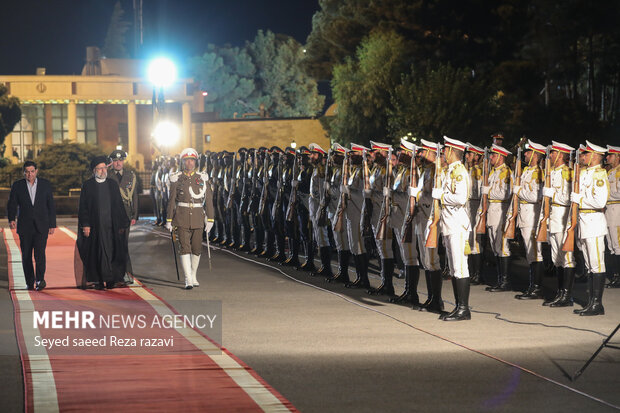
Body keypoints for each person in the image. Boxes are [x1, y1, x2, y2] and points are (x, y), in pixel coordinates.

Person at [76, 156, 130, 290]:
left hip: (111, 226)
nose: (103, 171)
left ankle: (111, 279)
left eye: (104, 168)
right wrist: (86, 224)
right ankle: (99, 280)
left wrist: (122, 223)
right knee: (97, 252)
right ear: (94, 170)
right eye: (100, 168)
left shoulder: (112, 184)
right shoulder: (88, 185)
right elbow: (83, 207)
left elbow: (118, 204)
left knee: (112, 251)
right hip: (95, 226)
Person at [433, 136, 471, 321]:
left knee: (460, 268)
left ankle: (464, 309)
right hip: (449, 223)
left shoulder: (460, 172)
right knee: (455, 268)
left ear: (451, 151)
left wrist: (441, 196)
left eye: (445, 150)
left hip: (457, 223)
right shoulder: (449, 171)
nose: (443, 154)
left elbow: (460, 198)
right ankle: (458, 306)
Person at [166, 148, 215, 289]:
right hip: (181, 216)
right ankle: (188, 278)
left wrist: (210, 219)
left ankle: (194, 275)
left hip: (199, 217)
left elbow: (209, 200)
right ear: (183, 162)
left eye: (192, 160)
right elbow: (171, 201)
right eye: (187, 160)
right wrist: (169, 220)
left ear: (196, 162)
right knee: (184, 248)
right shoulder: (177, 178)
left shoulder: (202, 178)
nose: (190, 163)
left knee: (197, 248)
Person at [572, 141, 609, 316]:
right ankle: (591, 302)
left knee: (596, 264)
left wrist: (579, 199)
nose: (583, 156)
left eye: (586, 154)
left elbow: (599, 202)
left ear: (594, 156)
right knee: (589, 264)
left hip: (594, 221)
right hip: (584, 221)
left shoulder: (599, 175)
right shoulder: (585, 173)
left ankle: (597, 304)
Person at [7, 161, 56, 291]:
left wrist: (52, 224)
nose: (30, 174)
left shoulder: (45, 185)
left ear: (36, 171)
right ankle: (30, 281)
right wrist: (11, 218)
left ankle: (40, 280)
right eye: (27, 172)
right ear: (24, 172)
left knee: (40, 254)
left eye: (32, 171)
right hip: (25, 226)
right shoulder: (18, 185)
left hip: (41, 225)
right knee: (26, 255)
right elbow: (12, 203)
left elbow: (50, 205)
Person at [541, 141, 576, 307]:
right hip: (553, 218)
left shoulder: (567, 173)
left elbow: (568, 198)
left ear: (561, 155)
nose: (551, 155)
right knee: (557, 258)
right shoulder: (552, 172)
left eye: (553, 153)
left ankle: (567, 296)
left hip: (563, 216)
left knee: (567, 258)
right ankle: (560, 292)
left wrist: (551, 195)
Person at [513, 140, 545, 300]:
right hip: (525, 216)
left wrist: (518, 191)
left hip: (532, 216)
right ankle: (532, 285)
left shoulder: (538, 173)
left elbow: (536, 196)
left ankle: (537, 288)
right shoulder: (527, 171)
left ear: (535, 155)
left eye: (528, 152)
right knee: (529, 253)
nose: (525, 154)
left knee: (535, 253)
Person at [482, 144, 513, 292]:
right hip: (492, 211)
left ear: (500, 157)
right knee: (495, 246)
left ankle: (505, 281)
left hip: (501, 210)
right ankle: (500, 279)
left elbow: (505, 194)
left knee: (502, 246)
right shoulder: (494, 172)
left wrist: (488, 192)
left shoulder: (506, 173)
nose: (491, 158)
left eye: (493, 156)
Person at [108, 149, 139, 285]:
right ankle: (114, 274)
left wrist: (135, 215)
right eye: (115, 161)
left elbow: (135, 196)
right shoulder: (107, 175)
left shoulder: (130, 175)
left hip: (125, 214)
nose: (118, 163)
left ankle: (126, 273)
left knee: (123, 245)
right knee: (112, 244)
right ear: (112, 162)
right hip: (111, 214)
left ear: (123, 161)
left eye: (120, 160)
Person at [605, 144, 620, 288]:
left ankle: (618, 276)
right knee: (611, 243)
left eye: (610, 155)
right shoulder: (610, 172)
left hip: (617, 208)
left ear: (617, 157)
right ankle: (615, 274)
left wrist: (605, 195)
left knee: (617, 243)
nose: (607, 157)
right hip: (609, 208)